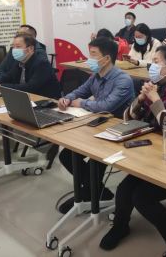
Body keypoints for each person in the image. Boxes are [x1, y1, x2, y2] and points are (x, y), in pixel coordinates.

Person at [100, 46, 166, 257]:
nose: (151, 65)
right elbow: (127, 119)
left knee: (142, 198)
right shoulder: (156, 86)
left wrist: (155, 101)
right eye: (152, 60)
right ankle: (120, 227)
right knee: (124, 189)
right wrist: (140, 99)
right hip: (153, 151)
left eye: (156, 61)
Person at [57, 38, 136, 213]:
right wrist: (67, 99)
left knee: (95, 160)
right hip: (98, 125)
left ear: (106, 58)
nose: (89, 58)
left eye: (93, 54)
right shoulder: (96, 77)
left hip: (119, 131)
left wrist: (82, 103)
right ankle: (99, 192)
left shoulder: (123, 80)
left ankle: (88, 195)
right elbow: (80, 91)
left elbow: (106, 106)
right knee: (66, 155)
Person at [0, 33, 61, 99]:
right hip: (25, 98)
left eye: (18, 46)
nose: (14, 50)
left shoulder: (42, 63)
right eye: (13, 47)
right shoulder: (18, 61)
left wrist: (0, 87)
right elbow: (7, 77)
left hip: (45, 100)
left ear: (31, 48)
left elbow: (31, 87)